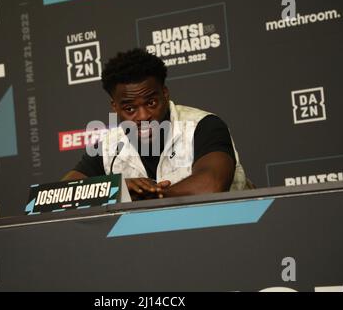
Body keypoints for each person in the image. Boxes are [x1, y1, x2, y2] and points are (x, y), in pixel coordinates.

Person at [63, 48, 248, 200]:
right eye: (130, 108)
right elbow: (57, 195)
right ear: (115, 107)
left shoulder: (203, 126)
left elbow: (211, 186)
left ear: (165, 94)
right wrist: (118, 189)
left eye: (151, 103)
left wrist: (141, 197)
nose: (143, 116)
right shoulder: (108, 148)